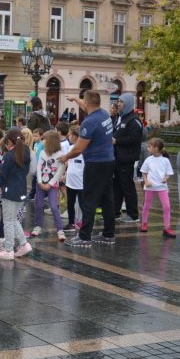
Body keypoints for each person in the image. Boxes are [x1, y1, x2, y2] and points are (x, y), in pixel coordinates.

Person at [61, 91, 116, 248]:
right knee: (107, 199)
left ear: (87, 103)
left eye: (83, 101)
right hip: (109, 161)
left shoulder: (89, 122)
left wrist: (66, 157)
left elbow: (78, 148)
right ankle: (109, 234)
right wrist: (75, 99)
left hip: (95, 164)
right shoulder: (104, 114)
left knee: (89, 200)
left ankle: (84, 237)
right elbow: (86, 105)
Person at [0, 129, 33, 260]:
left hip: (10, 191)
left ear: (9, 142)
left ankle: (9, 250)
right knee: (13, 219)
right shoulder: (26, 151)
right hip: (21, 190)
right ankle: (24, 244)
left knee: (8, 221)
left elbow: (2, 176)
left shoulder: (9, 155)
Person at [113, 93, 143, 224]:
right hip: (118, 158)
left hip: (127, 159)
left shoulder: (133, 120)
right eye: (118, 101)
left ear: (128, 104)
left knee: (127, 186)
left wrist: (117, 141)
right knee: (117, 186)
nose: (118, 103)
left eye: (121, 102)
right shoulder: (120, 118)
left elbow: (134, 138)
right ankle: (115, 212)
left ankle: (133, 214)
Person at [32, 131, 66, 241]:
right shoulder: (42, 152)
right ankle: (38, 226)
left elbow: (60, 171)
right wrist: (40, 181)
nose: (43, 141)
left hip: (53, 184)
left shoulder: (60, 154)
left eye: (45, 139)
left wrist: (50, 184)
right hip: (41, 183)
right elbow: (38, 167)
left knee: (53, 206)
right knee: (39, 205)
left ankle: (60, 229)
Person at [139, 138, 176, 238]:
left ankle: (167, 228)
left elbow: (168, 173)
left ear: (156, 148)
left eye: (149, 146)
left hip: (161, 187)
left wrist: (166, 179)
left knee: (167, 207)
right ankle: (144, 224)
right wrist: (146, 181)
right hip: (150, 187)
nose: (148, 148)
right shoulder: (148, 159)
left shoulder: (165, 160)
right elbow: (144, 172)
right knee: (146, 206)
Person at [64, 125, 84, 231]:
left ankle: (84, 223)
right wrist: (65, 175)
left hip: (81, 182)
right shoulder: (71, 148)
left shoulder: (83, 149)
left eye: (70, 135)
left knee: (82, 204)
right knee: (70, 203)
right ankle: (71, 223)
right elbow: (69, 163)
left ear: (76, 136)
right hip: (70, 181)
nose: (68, 136)